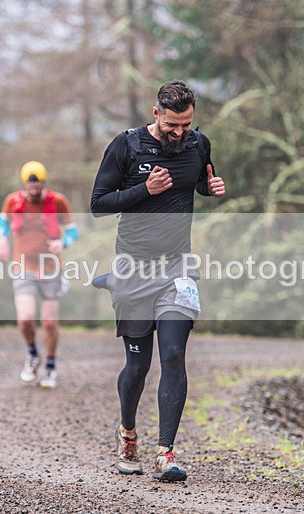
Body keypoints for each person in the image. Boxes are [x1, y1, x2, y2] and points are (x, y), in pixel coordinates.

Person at [90, 80, 226, 481]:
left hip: (177, 269)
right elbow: (98, 204)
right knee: (138, 366)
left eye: (186, 124)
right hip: (133, 268)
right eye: (172, 125)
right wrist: (143, 189)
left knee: (173, 356)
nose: (179, 133)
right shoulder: (127, 146)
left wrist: (209, 187)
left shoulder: (199, 145)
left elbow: (196, 182)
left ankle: (166, 453)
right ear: (156, 114)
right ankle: (128, 433)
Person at [0, 160, 78, 389]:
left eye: (38, 185)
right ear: (24, 183)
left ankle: (50, 365)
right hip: (23, 268)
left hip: (51, 269)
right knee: (25, 319)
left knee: (50, 324)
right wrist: (1, 239)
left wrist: (64, 242)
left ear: (43, 183)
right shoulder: (13, 201)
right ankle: (32, 353)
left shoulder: (58, 201)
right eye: (30, 185)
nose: (35, 189)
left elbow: (73, 229)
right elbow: (2, 221)